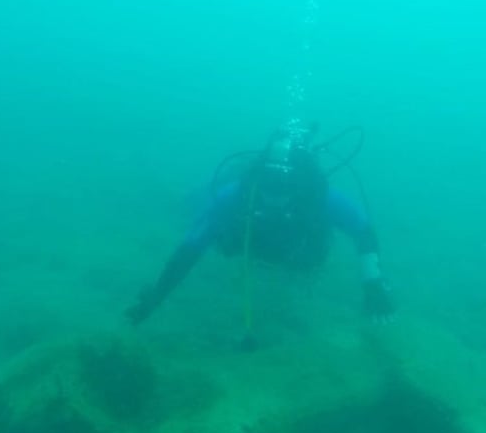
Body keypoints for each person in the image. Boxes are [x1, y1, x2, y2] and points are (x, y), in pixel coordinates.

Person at [125, 119, 395, 331]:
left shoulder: (318, 196)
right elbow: (190, 249)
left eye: (284, 189)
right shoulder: (234, 195)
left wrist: (373, 284)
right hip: (246, 245)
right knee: (198, 206)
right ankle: (184, 197)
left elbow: (363, 230)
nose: (275, 198)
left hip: (296, 256)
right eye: (267, 187)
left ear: (300, 185)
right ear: (255, 181)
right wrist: (156, 297)